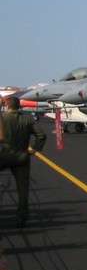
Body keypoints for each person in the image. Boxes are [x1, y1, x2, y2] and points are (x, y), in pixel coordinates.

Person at [0, 96, 46, 228]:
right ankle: (22, 218)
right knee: (23, 189)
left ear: (7, 106)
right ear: (19, 106)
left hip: (3, 155)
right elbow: (42, 135)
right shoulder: (27, 120)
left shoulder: (3, 119)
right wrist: (35, 149)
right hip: (22, 157)